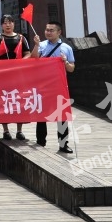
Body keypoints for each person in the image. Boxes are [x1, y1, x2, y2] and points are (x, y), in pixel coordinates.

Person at [0, 14, 40, 142]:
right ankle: (5, 130)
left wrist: (20, 62)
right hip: (2, 75)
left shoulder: (21, 38)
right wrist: (3, 65)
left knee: (19, 100)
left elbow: (28, 54)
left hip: (18, 75)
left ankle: (19, 130)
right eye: (5, 22)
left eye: (10, 22)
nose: (8, 25)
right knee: (3, 101)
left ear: (14, 24)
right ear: (1, 25)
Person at [38, 20, 76, 153]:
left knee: (62, 115)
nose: (48, 32)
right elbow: (33, 60)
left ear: (59, 32)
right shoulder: (41, 45)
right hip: (43, 84)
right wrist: (36, 47)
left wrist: (65, 62)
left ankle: (63, 144)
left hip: (59, 85)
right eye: (47, 30)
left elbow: (71, 69)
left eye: (51, 30)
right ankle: (40, 142)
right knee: (41, 114)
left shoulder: (67, 48)